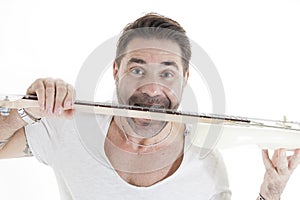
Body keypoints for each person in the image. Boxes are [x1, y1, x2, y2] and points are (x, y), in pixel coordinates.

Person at [0, 13, 300, 200]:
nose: (152, 89)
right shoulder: (67, 125)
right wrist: (24, 112)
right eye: (138, 70)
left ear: (184, 78)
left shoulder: (207, 167)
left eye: (167, 73)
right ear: (117, 71)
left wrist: (271, 193)